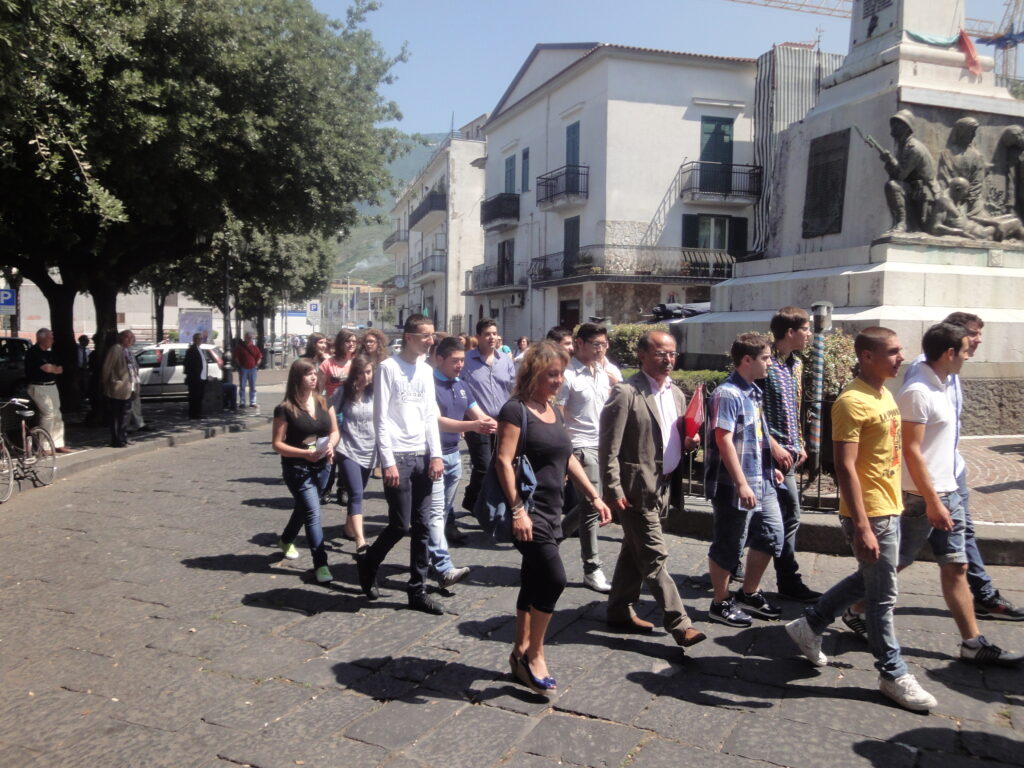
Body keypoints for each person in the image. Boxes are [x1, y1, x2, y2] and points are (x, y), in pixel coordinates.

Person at [785, 327, 938, 711]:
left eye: (900, 351)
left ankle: (810, 624)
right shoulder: (850, 401)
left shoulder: (884, 393)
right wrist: (864, 526)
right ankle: (893, 673)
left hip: (889, 506)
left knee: (868, 581)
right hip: (870, 513)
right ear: (867, 356)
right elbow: (846, 468)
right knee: (882, 597)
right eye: (893, 352)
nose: (901, 358)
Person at [894, 323, 1020, 665]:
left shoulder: (945, 383)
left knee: (957, 565)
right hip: (925, 497)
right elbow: (911, 451)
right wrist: (933, 501)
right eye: (964, 351)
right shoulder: (918, 390)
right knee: (895, 562)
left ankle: (972, 643)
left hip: (949, 489)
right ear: (949, 353)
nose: (968, 356)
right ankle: (831, 614)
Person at [499, 341, 611, 694]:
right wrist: (517, 510)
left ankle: (519, 653)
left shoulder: (553, 410)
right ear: (533, 373)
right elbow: (503, 461)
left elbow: (568, 458)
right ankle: (536, 654)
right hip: (528, 511)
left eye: (561, 374)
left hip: (552, 509)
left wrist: (594, 495)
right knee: (554, 578)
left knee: (533, 578)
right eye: (551, 374)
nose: (558, 380)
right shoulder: (515, 410)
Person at [599, 330, 706, 649]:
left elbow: (672, 439)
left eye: (672, 353)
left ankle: (619, 609)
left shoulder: (677, 394)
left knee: (635, 549)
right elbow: (608, 448)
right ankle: (679, 623)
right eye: (661, 353)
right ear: (642, 355)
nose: (668, 359)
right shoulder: (626, 393)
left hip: (663, 486)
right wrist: (613, 488)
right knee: (655, 555)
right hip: (635, 489)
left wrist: (690, 443)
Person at [356, 314, 446, 615]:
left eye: (432, 335)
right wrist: (388, 462)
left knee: (423, 526)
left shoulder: (426, 370)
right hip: (399, 456)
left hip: (423, 454)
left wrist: (436, 454)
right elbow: (380, 419)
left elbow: (430, 416)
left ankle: (417, 590)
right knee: (400, 524)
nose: (431, 341)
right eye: (425, 336)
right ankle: (369, 561)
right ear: (409, 337)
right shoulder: (388, 368)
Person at [704, 333, 785, 628]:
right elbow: (723, 440)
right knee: (730, 543)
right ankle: (720, 602)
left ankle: (749, 593)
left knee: (771, 534)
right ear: (747, 360)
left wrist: (769, 465)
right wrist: (741, 483)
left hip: (761, 479)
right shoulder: (727, 394)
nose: (770, 363)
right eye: (765, 358)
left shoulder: (753, 391)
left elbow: (755, 435)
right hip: (735, 484)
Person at [556, 322, 621, 593]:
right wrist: (564, 453)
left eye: (604, 344)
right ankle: (592, 568)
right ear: (579, 343)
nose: (601, 349)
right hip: (580, 446)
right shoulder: (567, 374)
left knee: (589, 503)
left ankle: (554, 537)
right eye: (596, 344)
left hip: (604, 444)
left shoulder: (605, 371)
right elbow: (558, 413)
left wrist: (614, 380)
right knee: (593, 506)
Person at [762, 307, 819, 602]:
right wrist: (772, 444)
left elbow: (794, 408)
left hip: (790, 454)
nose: (809, 334)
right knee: (789, 516)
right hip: (767, 454)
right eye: (805, 329)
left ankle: (735, 565)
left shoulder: (796, 365)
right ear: (790, 332)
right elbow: (752, 409)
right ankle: (787, 579)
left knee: (782, 516)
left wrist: (800, 443)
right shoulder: (764, 362)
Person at [272, 359, 340, 584]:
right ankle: (321, 564)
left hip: (323, 466)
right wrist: (303, 454)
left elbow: (334, 431)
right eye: (308, 373)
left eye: (315, 373)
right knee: (312, 512)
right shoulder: (285, 408)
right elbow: (277, 444)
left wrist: (331, 445)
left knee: (304, 508)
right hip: (297, 469)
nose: (313, 377)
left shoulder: (324, 401)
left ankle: (285, 540)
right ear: (297, 378)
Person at [432, 336, 495, 558]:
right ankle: (438, 560)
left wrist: (502, 425)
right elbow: (438, 422)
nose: (460, 365)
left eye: (462, 360)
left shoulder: (462, 384)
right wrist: (473, 426)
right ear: (440, 359)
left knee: (444, 508)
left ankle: (438, 546)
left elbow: (478, 413)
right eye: (455, 361)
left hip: (453, 455)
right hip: (433, 456)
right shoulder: (430, 384)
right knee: (434, 511)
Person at [460, 318, 515, 513]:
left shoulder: (505, 360)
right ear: (478, 337)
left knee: (500, 464)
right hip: (476, 422)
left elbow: (513, 388)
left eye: (494, 333)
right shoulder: (466, 360)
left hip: (502, 422)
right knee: (483, 465)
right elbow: (458, 388)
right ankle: (479, 505)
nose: (492, 337)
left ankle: (474, 500)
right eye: (487, 334)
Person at [330, 354, 376, 555]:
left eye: (369, 372)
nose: (366, 377)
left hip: (370, 450)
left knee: (359, 492)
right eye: (361, 373)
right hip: (347, 448)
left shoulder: (377, 392)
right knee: (356, 493)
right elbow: (330, 412)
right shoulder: (343, 392)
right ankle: (360, 540)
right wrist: (333, 437)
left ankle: (349, 528)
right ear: (354, 374)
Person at [25, 328, 72, 454]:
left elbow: (60, 369)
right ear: (41, 338)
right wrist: (53, 368)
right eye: (50, 337)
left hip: (51, 385)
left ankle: (58, 444)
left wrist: (53, 368)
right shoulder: (34, 352)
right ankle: (44, 446)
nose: (52, 340)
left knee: (57, 414)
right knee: (48, 414)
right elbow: (46, 368)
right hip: (38, 386)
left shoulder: (50, 353)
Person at [101, 330, 135, 447]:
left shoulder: (128, 351)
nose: (130, 340)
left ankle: (123, 437)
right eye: (127, 337)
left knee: (125, 415)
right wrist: (107, 383)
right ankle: (116, 439)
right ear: (121, 338)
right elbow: (107, 367)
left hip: (128, 387)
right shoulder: (116, 349)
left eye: (131, 337)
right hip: (117, 388)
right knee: (116, 415)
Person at [321, 329, 357, 399]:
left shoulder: (357, 362)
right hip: (332, 403)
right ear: (340, 343)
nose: (351, 344)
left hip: (352, 402)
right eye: (347, 341)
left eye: (354, 341)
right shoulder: (327, 363)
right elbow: (319, 390)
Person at [233, 332, 262, 408]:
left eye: (250, 338)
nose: (249, 339)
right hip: (243, 369)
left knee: (253, 386)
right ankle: (242, 402)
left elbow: (259, 357)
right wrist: (240, 366)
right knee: (242, 386)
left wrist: (257, 365)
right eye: (247, 337)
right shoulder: (240, 348)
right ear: (245, 338)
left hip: (253, 369)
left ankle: (253, 402)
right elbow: (236, 358)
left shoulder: (255, 347)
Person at [183, 333, 207, 420]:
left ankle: (198, 413)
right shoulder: (191, 350)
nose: (200, 340)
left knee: (199, 396)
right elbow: (187, 364)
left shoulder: (200, 349)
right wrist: (193, 375)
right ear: (194, 340)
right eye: (198, 339)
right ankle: (193, 414)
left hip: (202, 377)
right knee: (194, 396)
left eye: (201, 339)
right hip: (195, 378)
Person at [76, 335, 91, 405]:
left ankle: (83, 400)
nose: (87, 342)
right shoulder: (77, 350)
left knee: (86, 386)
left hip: (86, 370)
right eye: (85, 340)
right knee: (79, 385)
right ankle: (79, 401)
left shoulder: (88, 351)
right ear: (81, 341)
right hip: (79, 370)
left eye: (87, 340)